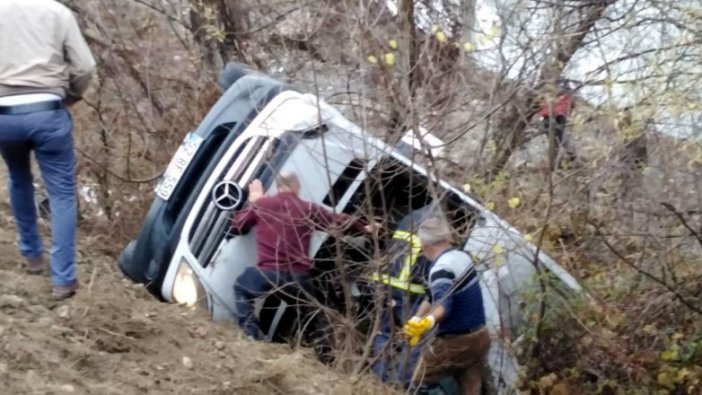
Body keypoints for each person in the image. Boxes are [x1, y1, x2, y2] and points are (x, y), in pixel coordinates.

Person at [0, 0, 96, 300]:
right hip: (47, 110)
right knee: (62, 192)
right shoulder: (57, 12)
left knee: (18, 177)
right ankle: (63, 279)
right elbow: (85, 66)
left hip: (4, 114)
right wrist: (70, 96)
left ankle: (32, 255)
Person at [230, 171, 375, 341]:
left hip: (268, 273)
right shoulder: (308, 209)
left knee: (242, 288)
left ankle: (250, 334)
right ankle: (322, 351)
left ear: (278, 187)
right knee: (312, 314)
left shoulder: (263, 204)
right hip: (298, 278)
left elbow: (237, 226)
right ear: (296, 187)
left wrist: (253, 202)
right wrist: (364, 228)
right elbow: (338, 220)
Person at [403, 217, 491, 395]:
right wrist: (416, 318)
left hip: (457, 343)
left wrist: (427, 322)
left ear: (425, 243)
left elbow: (443, 305)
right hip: (481, 337)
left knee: (419, 384)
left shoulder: (441, 268)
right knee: (470, 391)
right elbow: (432, 296)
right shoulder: (461, 257)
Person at [370, 204, 435, 386]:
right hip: (408, 291)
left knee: (383, 332)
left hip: (383, 283)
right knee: (416, 336)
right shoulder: (434, 230)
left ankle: (377, 379)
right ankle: (399, 384)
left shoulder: (409, 219)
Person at [538, 79, 577, 168]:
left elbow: (540, 104)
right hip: (558, 114)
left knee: (554, 136)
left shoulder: (550, 92)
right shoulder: (567, 95)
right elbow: (572, 105)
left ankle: (559, 158)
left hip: (549, 115)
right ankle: (566, 154)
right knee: (559, 135)